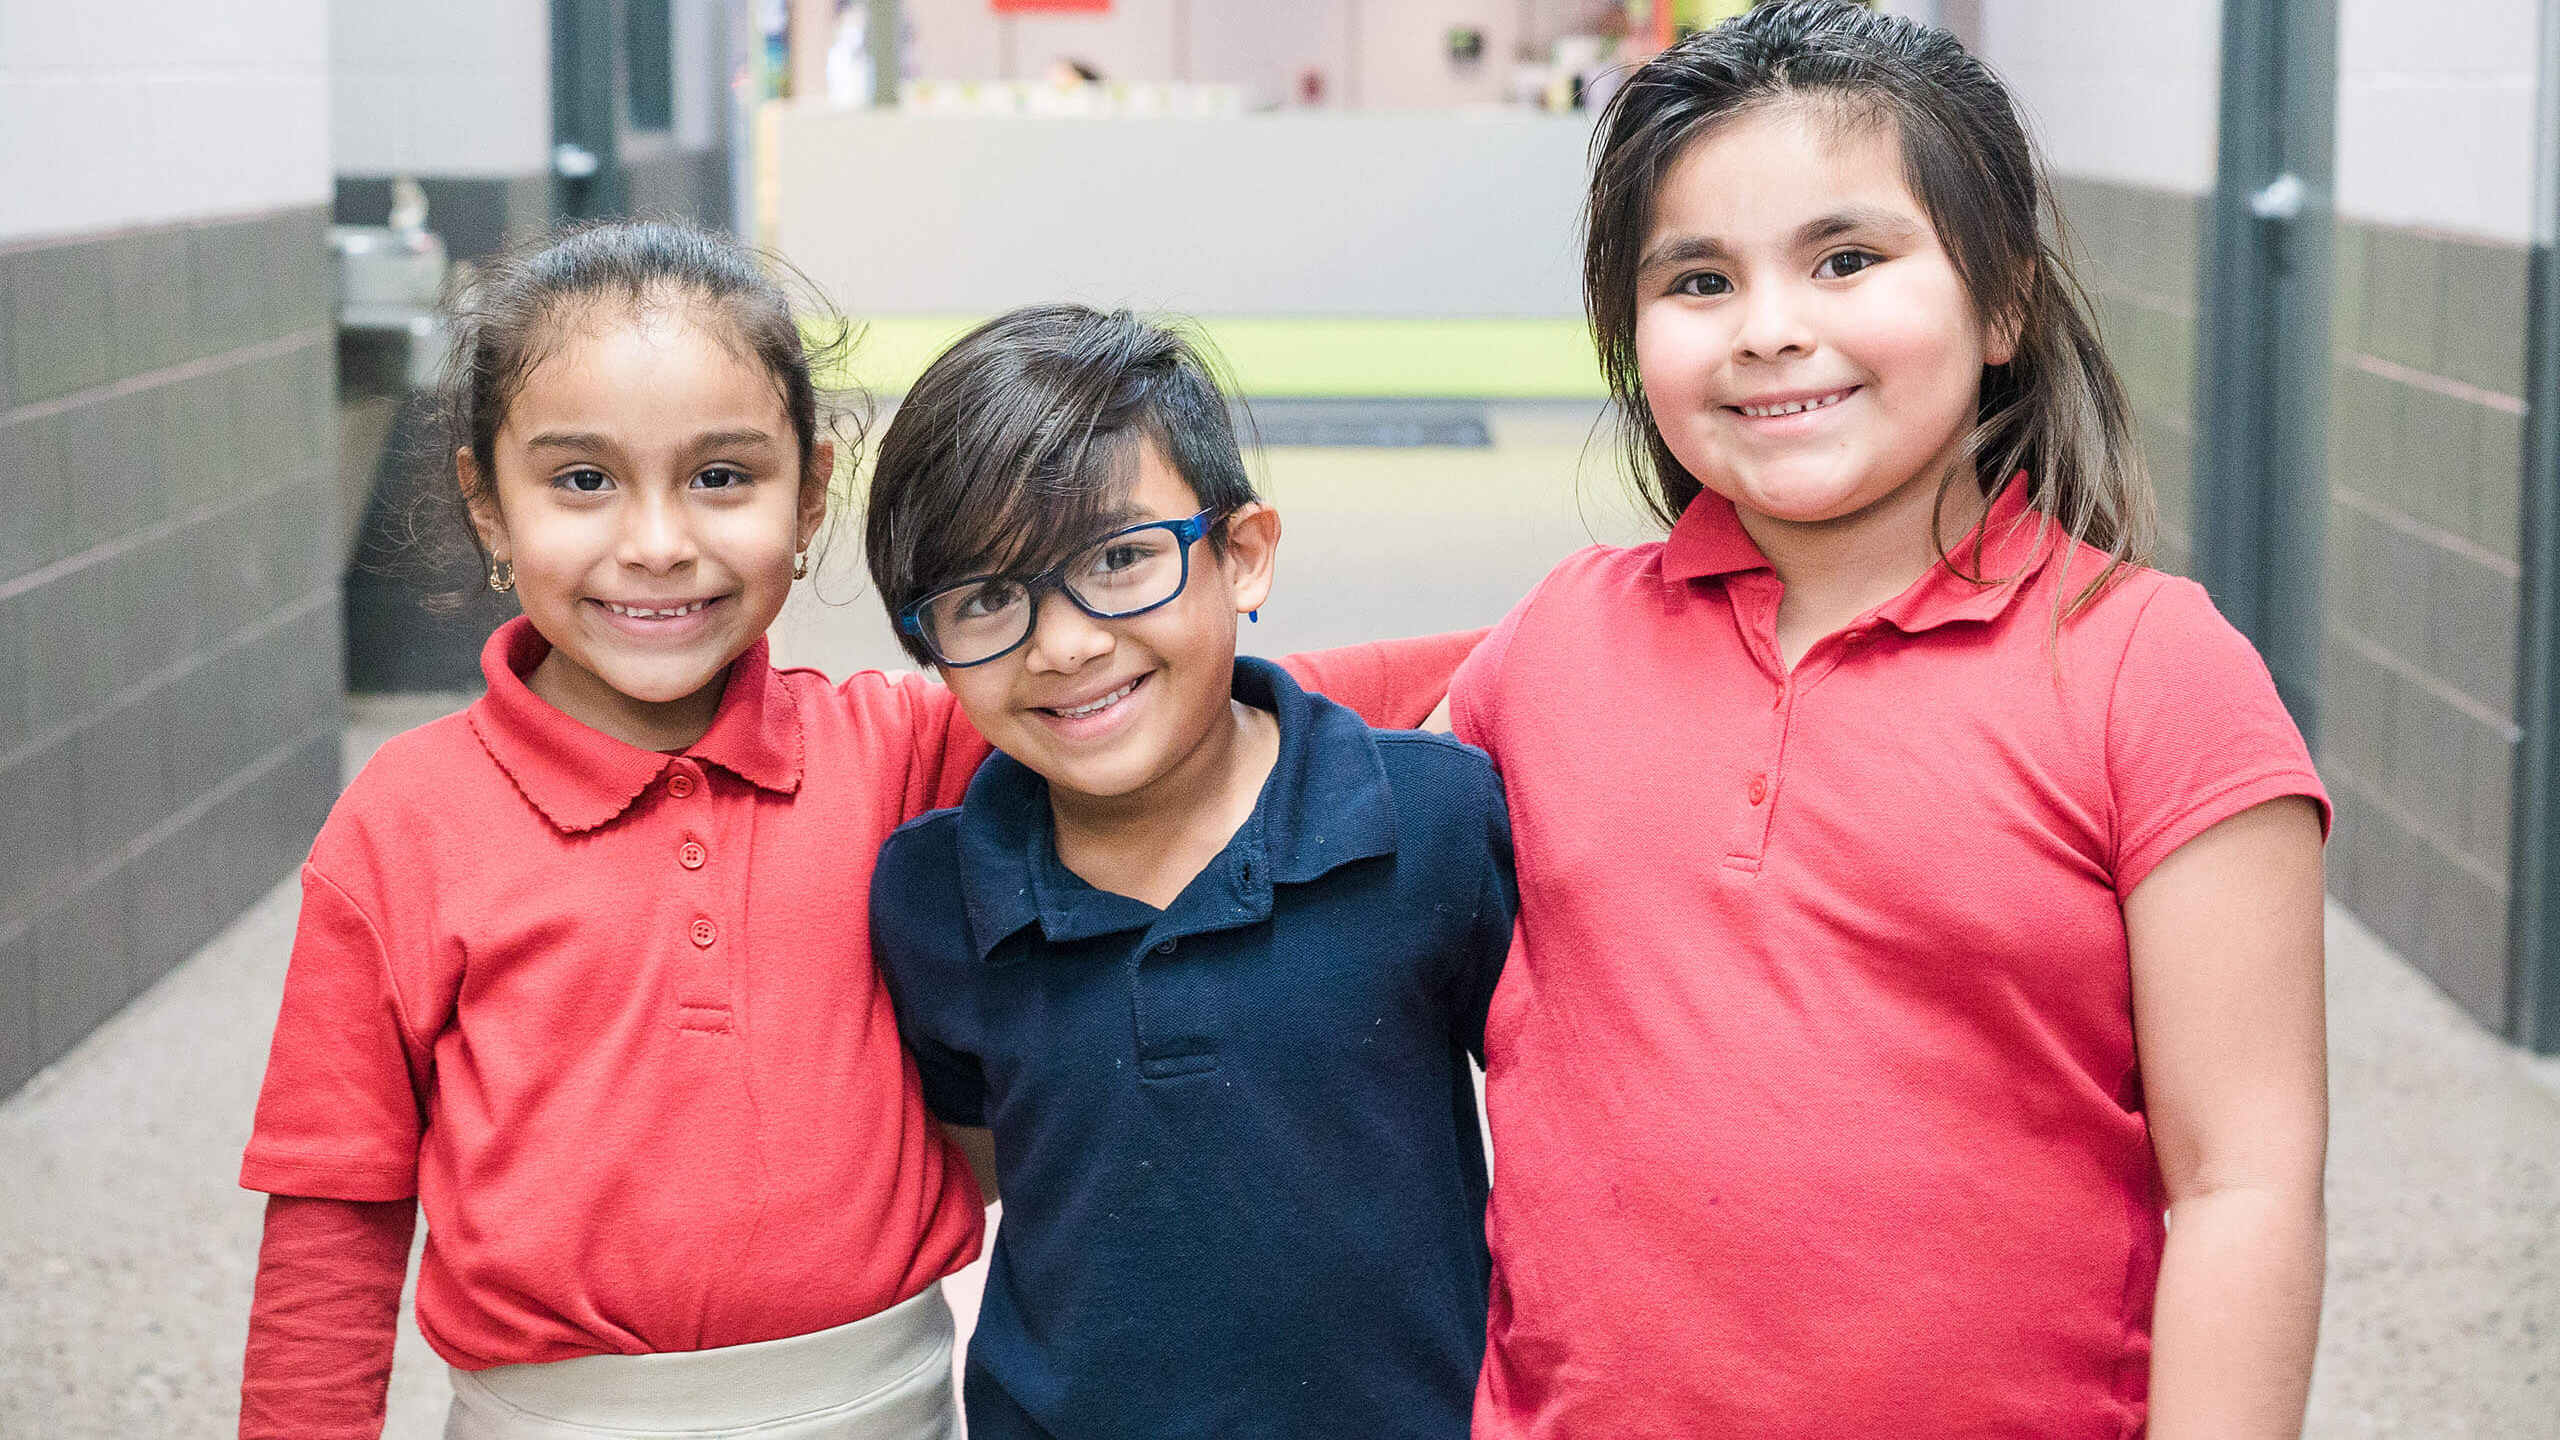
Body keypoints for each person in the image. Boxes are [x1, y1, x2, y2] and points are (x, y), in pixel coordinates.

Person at [235, 222, 1477, 1439]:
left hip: (881, 1405)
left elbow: (1176, 694)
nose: (658, 543)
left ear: (811, 489)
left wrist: (1563, 649)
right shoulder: (402, 823)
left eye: (722, 477)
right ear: (488, 506)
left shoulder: (890, 750)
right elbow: (332, 1216)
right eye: (581, 480)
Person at [1449, 5, 2331, 1435]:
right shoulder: (1550, 646)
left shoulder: (2151, 672)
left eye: (1847, 260)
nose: (1773, 327)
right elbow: (1298, 826)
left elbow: (2244, 1184)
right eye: (1698, 280)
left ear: (2004, 305)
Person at [862, 305, 1515, 1439]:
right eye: (984, 599)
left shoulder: (1435, 821)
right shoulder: (931, 895)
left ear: (1243, 555)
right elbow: (986, 1169)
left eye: (1119, 559)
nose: (1062, 644)